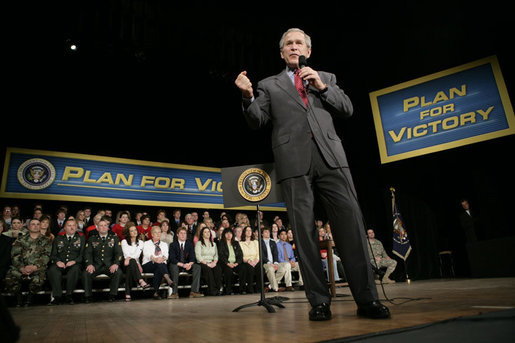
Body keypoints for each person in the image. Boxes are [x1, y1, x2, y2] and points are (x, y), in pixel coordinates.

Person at [235, 27, 389, 321]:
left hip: (332, 159)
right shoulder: (269, 84)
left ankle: (368, 299)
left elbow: (347, 109)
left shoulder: (326, 78)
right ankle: (319, 302)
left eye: (299, 43)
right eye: (289, 44)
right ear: (282, 52)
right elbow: (257, 120)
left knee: (352, 229)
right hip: (293, 162)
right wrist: (247, 97)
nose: (294, 47)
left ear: (308, 50)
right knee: (304, 234)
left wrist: (321, 85)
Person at [4, 218, 51, 307]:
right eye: (33, 224)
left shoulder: (46, 240)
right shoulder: (20, 239)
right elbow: (15, 256)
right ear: (29, 227)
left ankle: (30, 297)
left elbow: (46, 256)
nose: (35, 226)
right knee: (10, 276)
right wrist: (21, 268)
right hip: (21, 267)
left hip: (37, 268)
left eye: (38, 224)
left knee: (38, 280)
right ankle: (18, 297)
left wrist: (34, 267)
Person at [82, 217, 123, 303]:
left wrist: (116, 264)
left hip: (109, 265)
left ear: (108, 227)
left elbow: (118, 253)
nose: (103, 227)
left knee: (118, 272)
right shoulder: (92, 239)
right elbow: (87, 253)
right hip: (96, 265)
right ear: (97, 228)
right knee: (86, 273)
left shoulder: (114, 239)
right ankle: (88, 296)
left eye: (105, 225)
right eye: (101, 225)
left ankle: (112, 295)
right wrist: (89, 264)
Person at [47, 218, 85, 305]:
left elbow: (82, 254)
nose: (72, 228)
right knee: (53, 270)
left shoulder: (81, 238)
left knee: (74, 270)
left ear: (76, 227)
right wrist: (57, 261)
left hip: (74, 264)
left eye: (74, 225)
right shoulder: (58, 238)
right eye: (69, 225)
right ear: (64, 228)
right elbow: (53, 254)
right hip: (60, 263)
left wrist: (74, 261)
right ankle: (57, 297)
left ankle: (69, 296)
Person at [168, 227, 203, 298]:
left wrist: (189, 264)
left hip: (187, 265)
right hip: (177, 264)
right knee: (173, 266)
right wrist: (182, 265)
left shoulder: (189, 244)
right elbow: (172, 258)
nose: (183, 235)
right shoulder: (173, 245)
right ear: (177, 235)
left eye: (184, 233)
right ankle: (174, 293)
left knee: (197, 267)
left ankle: (194, 291)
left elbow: (192, 257)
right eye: (181, 233)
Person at [142, 226, 173, 300]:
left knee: (159, 268)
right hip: (148, 264)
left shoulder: (164, 244)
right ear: (152, 234)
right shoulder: (146, 243)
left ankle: (156, 292)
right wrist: (154, 259)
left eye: (159, 232)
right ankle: (167, 278)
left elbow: (166, 255)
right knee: (160, 265)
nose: (158, 234)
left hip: (160, 264)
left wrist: (162, 259)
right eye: (156, 232)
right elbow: (146, 254)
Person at [121, 222, 150, 301]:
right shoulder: (124, 242)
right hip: (124, 264)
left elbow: (136, 255)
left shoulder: (141, 243)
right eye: (132, 231)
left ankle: (127, 293)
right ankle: (140, 280)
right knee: (131, 263)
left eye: (135, 230)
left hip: (132, 264)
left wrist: (135, 262)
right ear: (128, 233)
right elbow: (126, 255)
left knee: (130, 269)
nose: (134, 232)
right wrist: (133, 261)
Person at [195, 226, 222, 296]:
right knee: (208, 270)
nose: (207, 233)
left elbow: (216, 256)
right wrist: (207, 263)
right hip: (202, 262)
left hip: (212, 262)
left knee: (218, 269)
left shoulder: (214, 244)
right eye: (205, 232)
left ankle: (218, 289)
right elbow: (198, 257)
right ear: (202, 234)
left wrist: (214, 262)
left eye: (208, 232)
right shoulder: (199, 243)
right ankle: (212, 290)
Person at [217, 228, 245, 295]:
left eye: (230, 233)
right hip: (225, 263)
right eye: (227, 233)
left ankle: (242, 289)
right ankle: (229, 290)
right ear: (224, 235)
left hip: (235, 263)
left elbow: (240, 254)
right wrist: (227, 263)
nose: (229, 235)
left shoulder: (236, 243)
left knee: (243, 268)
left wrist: (237, 263)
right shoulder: (221, 243)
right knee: (228, 271)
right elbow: (221, 255)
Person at [261, 227, 286, 292]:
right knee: (270, 269)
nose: (267, 233)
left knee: (282, 269)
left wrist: (275, 263)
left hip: (273, 262)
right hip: (265, 263)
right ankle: (276, 288)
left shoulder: (272, 242)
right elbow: (261, 255)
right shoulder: (259, 242)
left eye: (268, 232)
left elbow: (275, 253)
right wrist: (269, 263)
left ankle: (269, 286)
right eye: (265, 232)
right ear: (262, 234)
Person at [239, 225, 261, 293]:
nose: (249, 232)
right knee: (249, 268)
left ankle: (259, 288)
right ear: (244, 232)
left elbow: (258, 253)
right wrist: (248, 261)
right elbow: (240, 255)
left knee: (260, 268)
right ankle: (250, 288)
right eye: (247, 230)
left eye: (250, 230)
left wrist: (256, 261)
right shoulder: (240, 243)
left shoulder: (255, 242)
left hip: (255, 261)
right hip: (246, 262)